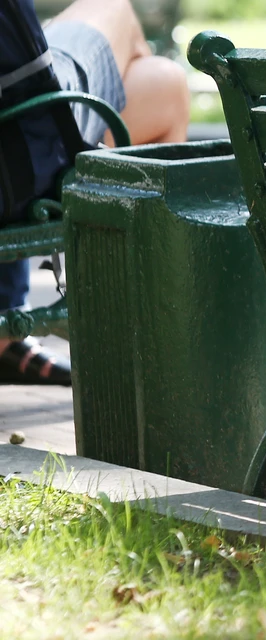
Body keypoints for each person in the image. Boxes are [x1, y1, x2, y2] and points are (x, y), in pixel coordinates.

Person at [0, 0, 190, 385]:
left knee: (165, 81)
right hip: (22, 148)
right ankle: (160, 341)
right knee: (113, 7)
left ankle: (5, 324)